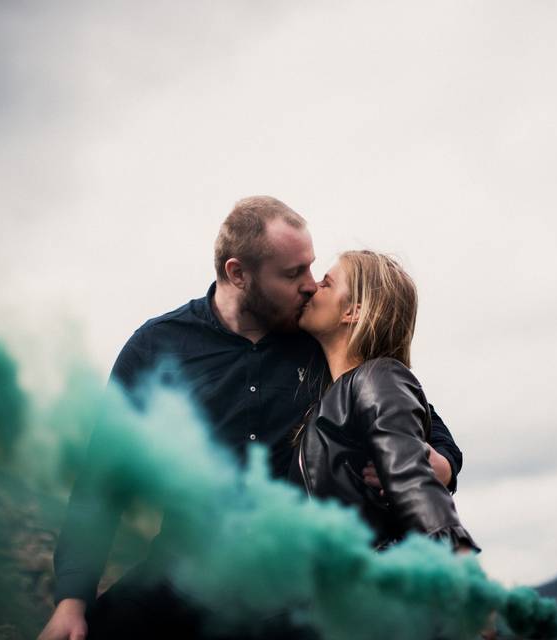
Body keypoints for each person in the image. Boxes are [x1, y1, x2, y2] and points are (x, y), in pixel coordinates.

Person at [38, 197, 464, 640]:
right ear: (238, 273)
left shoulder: (322, 340)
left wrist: (442, 463)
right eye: (292, 273)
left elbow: (416, 419)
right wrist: (72, 600)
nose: (310, 284)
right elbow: (101, 483)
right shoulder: (155, 348)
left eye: (312, 268)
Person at [291, 250, 478, 554]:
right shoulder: (339, 395)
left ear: (352, 310)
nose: (313, 287)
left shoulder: (377, 378)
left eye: (326, 283)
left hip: (390, 590)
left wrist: (464, 569)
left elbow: (411, 476)